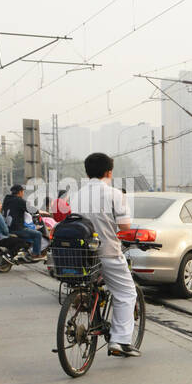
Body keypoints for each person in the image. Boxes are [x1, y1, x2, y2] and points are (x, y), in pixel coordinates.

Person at [71, 152, 139, 357]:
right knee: (127, 293)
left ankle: (90, 313)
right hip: (107, 251)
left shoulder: (76, 195)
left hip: (82, 254)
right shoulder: (115, 194)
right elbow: (125, 227)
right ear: (109, 172)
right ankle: (119, 341)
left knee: (96, 286)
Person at [4, 185, 44, 260]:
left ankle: (26, 250)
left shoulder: (6, 200)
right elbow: (30, 209)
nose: (23, 193)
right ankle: (36, 254)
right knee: (38, 234)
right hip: (17, 228)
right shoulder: (19, 200)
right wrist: (41, 212)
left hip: (7, 228)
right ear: (20, 192)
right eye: (23, 191)